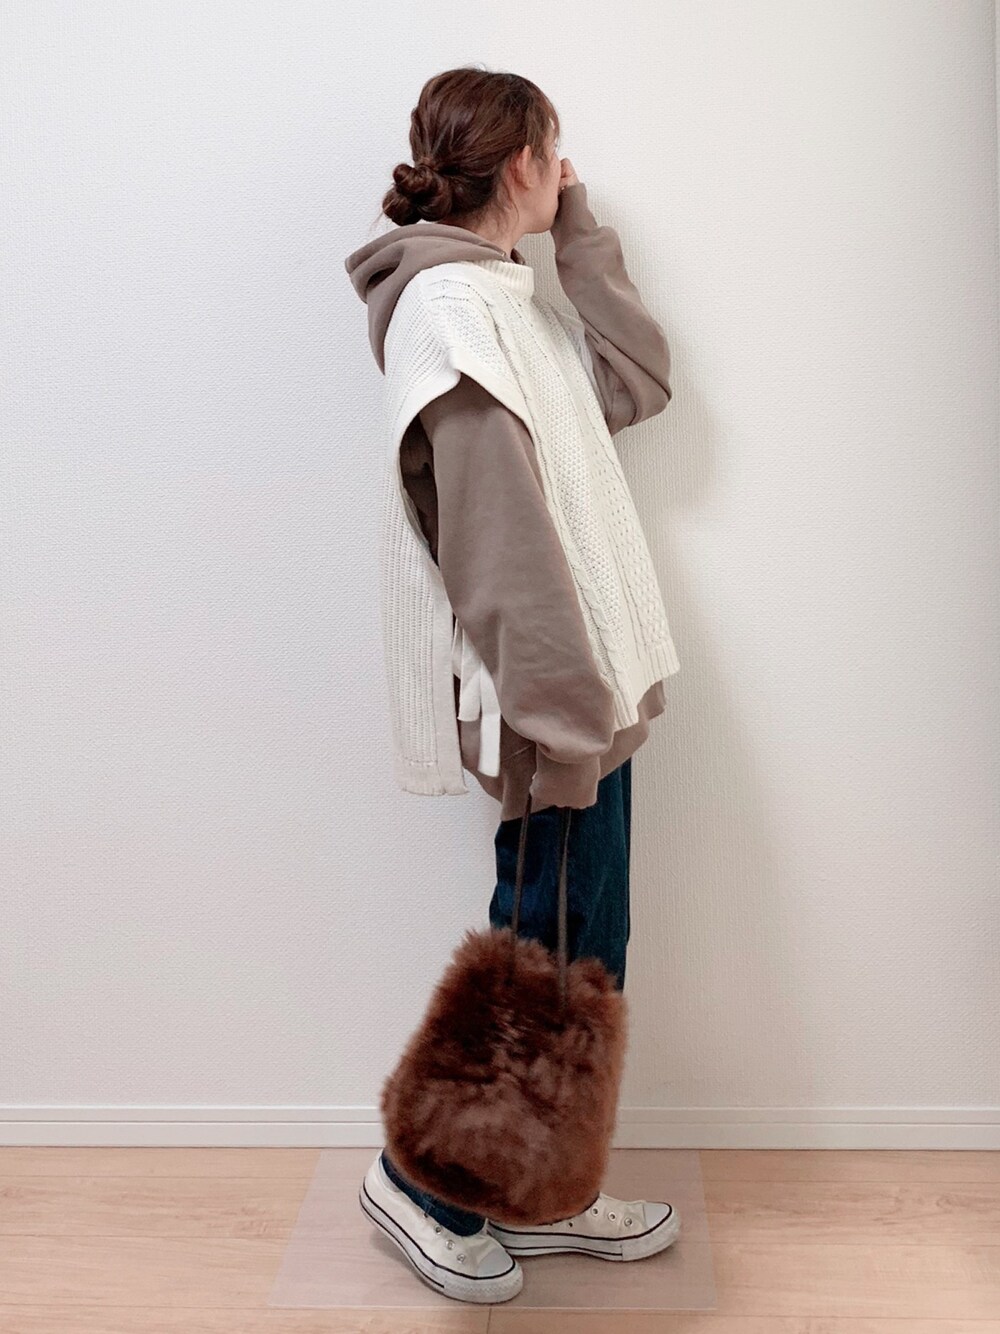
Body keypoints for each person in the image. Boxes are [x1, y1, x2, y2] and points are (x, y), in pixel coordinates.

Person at [344, 66, 682, 1305]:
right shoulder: (450, 313)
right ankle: (422, 1185)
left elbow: (636, 382)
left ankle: (535, 1183)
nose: (566, 168)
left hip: (590, 688)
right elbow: (494, 550)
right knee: (536, 957)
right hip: (553, 702)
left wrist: (576, 235)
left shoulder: (505, 295)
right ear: (524, 159)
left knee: (579, 950)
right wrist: (561, 719)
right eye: (558, 152)